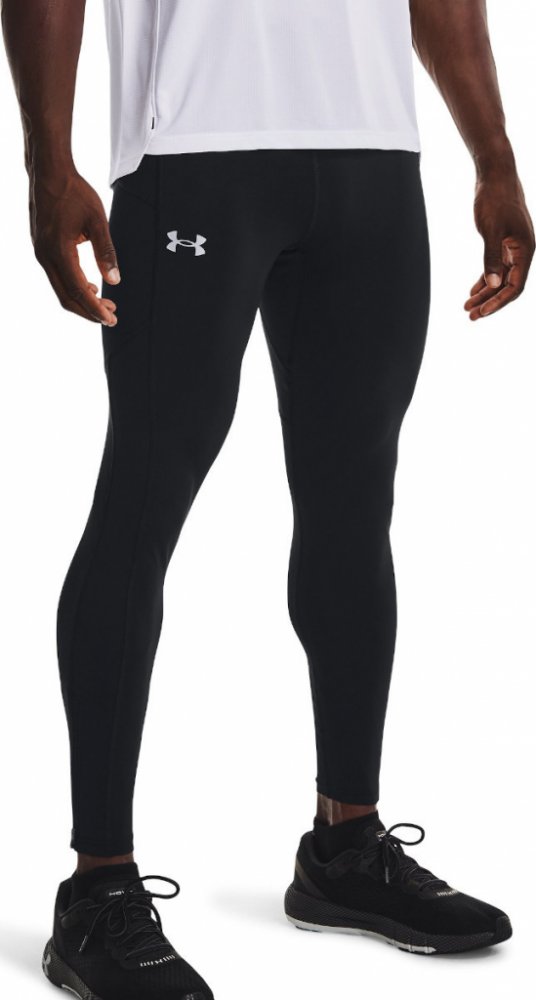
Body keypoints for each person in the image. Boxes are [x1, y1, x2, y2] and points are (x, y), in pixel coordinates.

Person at [3, 0, 534, 995]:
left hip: (373, 151)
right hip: (192, 148)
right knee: (144, 498)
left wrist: (493, 158)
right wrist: (48, 160)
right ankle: (98, 889)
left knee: (354, 504)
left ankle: (345, 844)